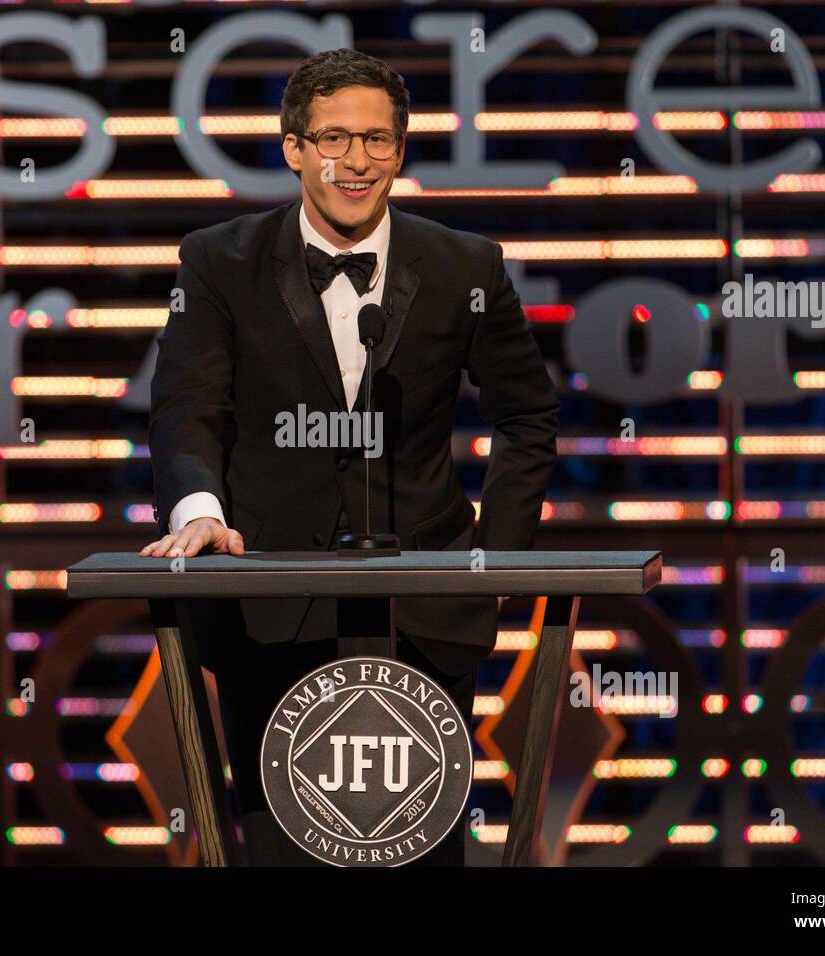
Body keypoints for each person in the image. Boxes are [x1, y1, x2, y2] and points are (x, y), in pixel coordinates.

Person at [141, 48, 561, 865]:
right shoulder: (219, 260)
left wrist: (491, 566)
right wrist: (199, 510)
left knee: (417, 849)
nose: (356, 161)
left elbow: (527, 416)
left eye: (376, 140)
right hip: (268, 606)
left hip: (425, 613)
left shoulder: (465, 264)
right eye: (333, 139)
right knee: (283, 848)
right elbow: (189, 405)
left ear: (401, 150)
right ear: (293, 147)